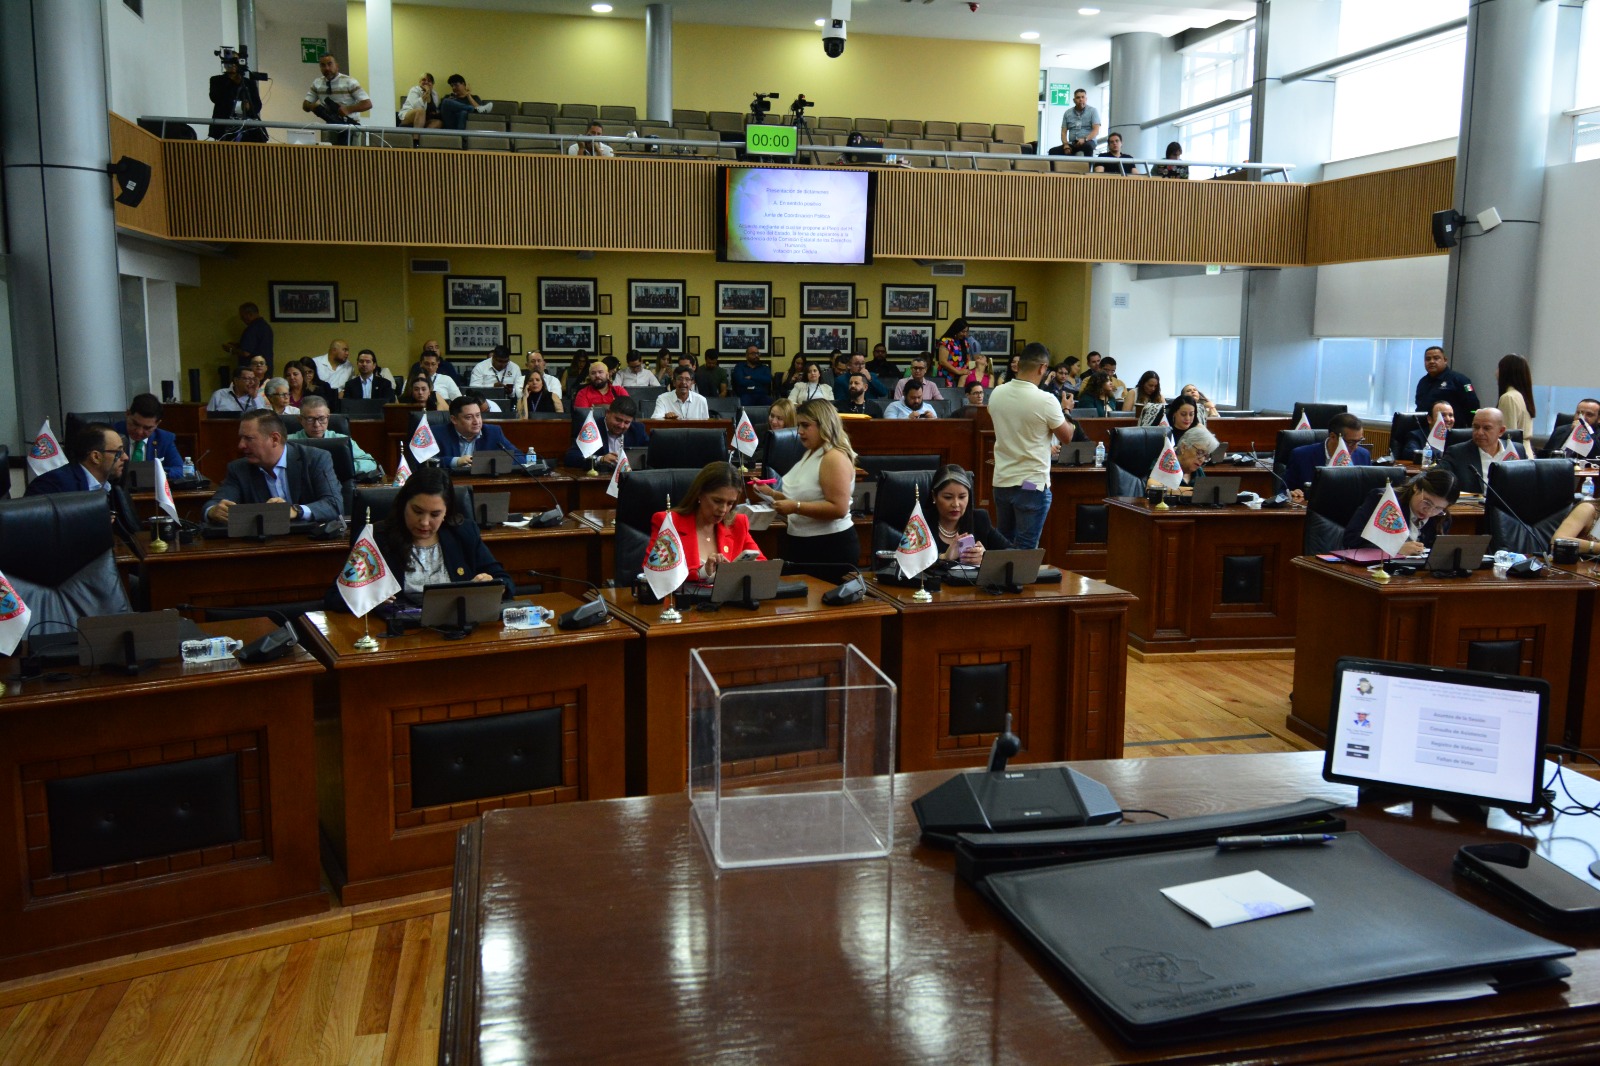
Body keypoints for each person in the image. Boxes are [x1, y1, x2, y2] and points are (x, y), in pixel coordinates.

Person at [325, 466, 511, 611]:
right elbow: (335, 597)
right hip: (398, 633)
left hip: (456, 629)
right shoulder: (377, 537)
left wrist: (493, 584)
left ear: (446, 512)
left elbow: (505, 580)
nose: (424, 522)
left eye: (435, 514)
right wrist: (370, 598)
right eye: (417, 511)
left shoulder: (463, 532)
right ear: (404, 505)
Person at [751, 399, 858, 576]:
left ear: (823, 424)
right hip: (803, 544)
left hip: (828, 548)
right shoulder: (811, 453)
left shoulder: (833, 457)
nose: (799, 431)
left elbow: (838, 508)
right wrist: (772, 494)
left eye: (805, 425)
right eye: (799, 425)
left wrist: (795, 507)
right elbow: (806, 498)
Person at [989, 342, 1076, 549]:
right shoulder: (1046, 400)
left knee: (1003, 544)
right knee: (1026, 548)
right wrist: (1066, 410)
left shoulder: (997, 393)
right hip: (1031, 484)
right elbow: (1066, 437)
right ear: (1043, 368)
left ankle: (1003, 573)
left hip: (1002, 481)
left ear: (1019, 365)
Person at [203, 410, 342, 523]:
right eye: (241, 438)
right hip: (262, 544)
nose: (241, 445)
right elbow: (214, 504)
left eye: (249, 438)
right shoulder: (239, 469)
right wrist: (212, 511)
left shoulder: (315, 459)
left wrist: (294, 510)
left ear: (275, 439)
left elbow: (334, 505)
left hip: (309, 540)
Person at [649, 463, 764, 582]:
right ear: (699, 494)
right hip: (686, 594)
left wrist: (749, 568)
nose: (723, 509)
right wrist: (703, 572)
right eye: (717, 501)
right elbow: (655, 573)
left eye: (730, 503)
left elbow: (763, 566)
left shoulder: (738, 524)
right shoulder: (670, 523)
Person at [1343, 468, 1459, 556]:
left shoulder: (1442, 518)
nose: (1429, 512)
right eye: (1427, 502)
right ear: (1416, 487)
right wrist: (1396, 548)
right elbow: (1351, 539)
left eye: (1438, 508)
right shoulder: (1384, 501)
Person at [921, 465, 1009, 566]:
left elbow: (1013, 554)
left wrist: (987, 557)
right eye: (948, 497)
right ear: (934, 496)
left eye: (962, 497)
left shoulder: (979, 519)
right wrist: (943, 558)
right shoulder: (920, 522)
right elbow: (910, 563)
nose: (956, 504)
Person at [1285, 413, 1372, 502]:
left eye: (1359, 441)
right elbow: (1283, 491)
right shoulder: (1301, 455)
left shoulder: (1363, 456)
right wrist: (1291, 493)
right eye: (1350, 442)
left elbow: (1369, 492)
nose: (1355, 447)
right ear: (1333, 437)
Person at [290, 395, 380, 477]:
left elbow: (370, 463)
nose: (316, 425)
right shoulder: (289, 442)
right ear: (300, 420)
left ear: (328, 418)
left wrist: (340, 469)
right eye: (310, 419)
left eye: (322, 418)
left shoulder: (342, 440)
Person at [26, 422, 125, 496]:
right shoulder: (53, 485)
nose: (125, 457)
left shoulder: (113, 487)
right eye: (119, 452)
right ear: (95, 457)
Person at [1442, 407, 1525, 495]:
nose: (1479, 432)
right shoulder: (1457, 453)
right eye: (1476, 427)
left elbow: (1527, 483)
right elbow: (1436, 479)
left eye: (1486, 428)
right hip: (1474, 503)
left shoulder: (1516, 450)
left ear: (1501, 431)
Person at [435, 396, 525, 469]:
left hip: (483, 482)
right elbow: (428, 461)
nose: (476, 421)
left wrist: (489, 462)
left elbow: (520, 457)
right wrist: (456, 461)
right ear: (454, 419)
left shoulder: (493, 432)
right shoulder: (437, 433)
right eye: (469, 417)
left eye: (478, 415)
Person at [301, 54, 371, 144]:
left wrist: (348, 109)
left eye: (330, 64)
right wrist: (313, 107)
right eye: (323, 65)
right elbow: (305, 105)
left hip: (351, 128)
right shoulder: (317, 83)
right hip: (330, 127)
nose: (327, 68)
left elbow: (367, 104)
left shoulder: (349, 81)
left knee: (351, 153)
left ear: (337, 66)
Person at [564, 396, 648, 468]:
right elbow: (571, 458)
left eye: (627, 422)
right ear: (607, 413)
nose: (621, 426)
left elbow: (650, 453)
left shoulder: (637, 430)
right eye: (618, 420)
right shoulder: (592, 429)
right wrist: (600, 459)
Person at [115, 393, 183, 478]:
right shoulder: (111, 434)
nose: (139, 432)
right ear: (128, 414)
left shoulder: (164, 439)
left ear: (157, 424)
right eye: (135, 424)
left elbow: (179, 470)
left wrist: (154, 472)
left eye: (147, 428)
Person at [208, 53, 265, 142]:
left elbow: (257, 105)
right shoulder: (217, 80)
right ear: (225, 64)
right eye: (231, 62)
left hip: (247, 127)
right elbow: (215, 98)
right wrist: (231, 81)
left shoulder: (249, 83)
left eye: (236, 62)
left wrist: (249, 107)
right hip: (224, 125)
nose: (233, 65)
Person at [1149, 425, 1222, 495]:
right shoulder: (1166, 461)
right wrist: (1193, 492)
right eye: (1200, 452)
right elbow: (1152, 486)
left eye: (1206, 456)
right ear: (1183, 447)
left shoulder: (1198, 471)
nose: (1202, 459)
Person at [1414, 345, 1476, 425]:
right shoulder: (1422, 382)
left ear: (1445, 360)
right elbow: (1420, 408)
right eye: (1428, 359)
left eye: (1436, 358)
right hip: (1426, 428)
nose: (1431, 361)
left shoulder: (1459, 380)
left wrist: (1470, 428)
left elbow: (1473, 406)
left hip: (1453, 428)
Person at [222, 302, 274, 371]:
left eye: (242, 316)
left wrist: (231, 349)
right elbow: (258, 346)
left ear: (250, 314)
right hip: (265, 367)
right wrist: (239, 345)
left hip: (252, 371)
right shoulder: (265, 326)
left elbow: (246, 353)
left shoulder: (252, 328)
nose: (241, 319)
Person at [1496, 354, 1536, 438]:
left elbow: (1508, 436)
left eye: (1498, 368)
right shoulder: (1522, 395)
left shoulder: (1508, 398)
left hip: (1514, 446)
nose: (1496, 373)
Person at [1055, 87, 1100, 157]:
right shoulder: (1067, 113)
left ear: (1086, 99)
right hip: (1073, 143)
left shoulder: (1093, 111)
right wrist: (1066, 145)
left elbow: (1096, 131)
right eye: (1078, 97)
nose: (1081, 99)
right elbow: (1063, 132)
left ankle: (1088, 164)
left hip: (1088, 141)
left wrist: (1084, 139)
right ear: (1074, 100)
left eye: (1083, 97)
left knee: (1088, 147)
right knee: (1053, 151)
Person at [934, 319, 971, 388]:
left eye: (966, 331)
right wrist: (958, 371)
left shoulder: (965, 342)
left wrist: (965, 370)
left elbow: (968, 358)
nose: (965, 334)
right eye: (962, 331)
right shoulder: (946, 341)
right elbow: (942, 361)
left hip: (961, 377)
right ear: (956, 329)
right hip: (946, 376)